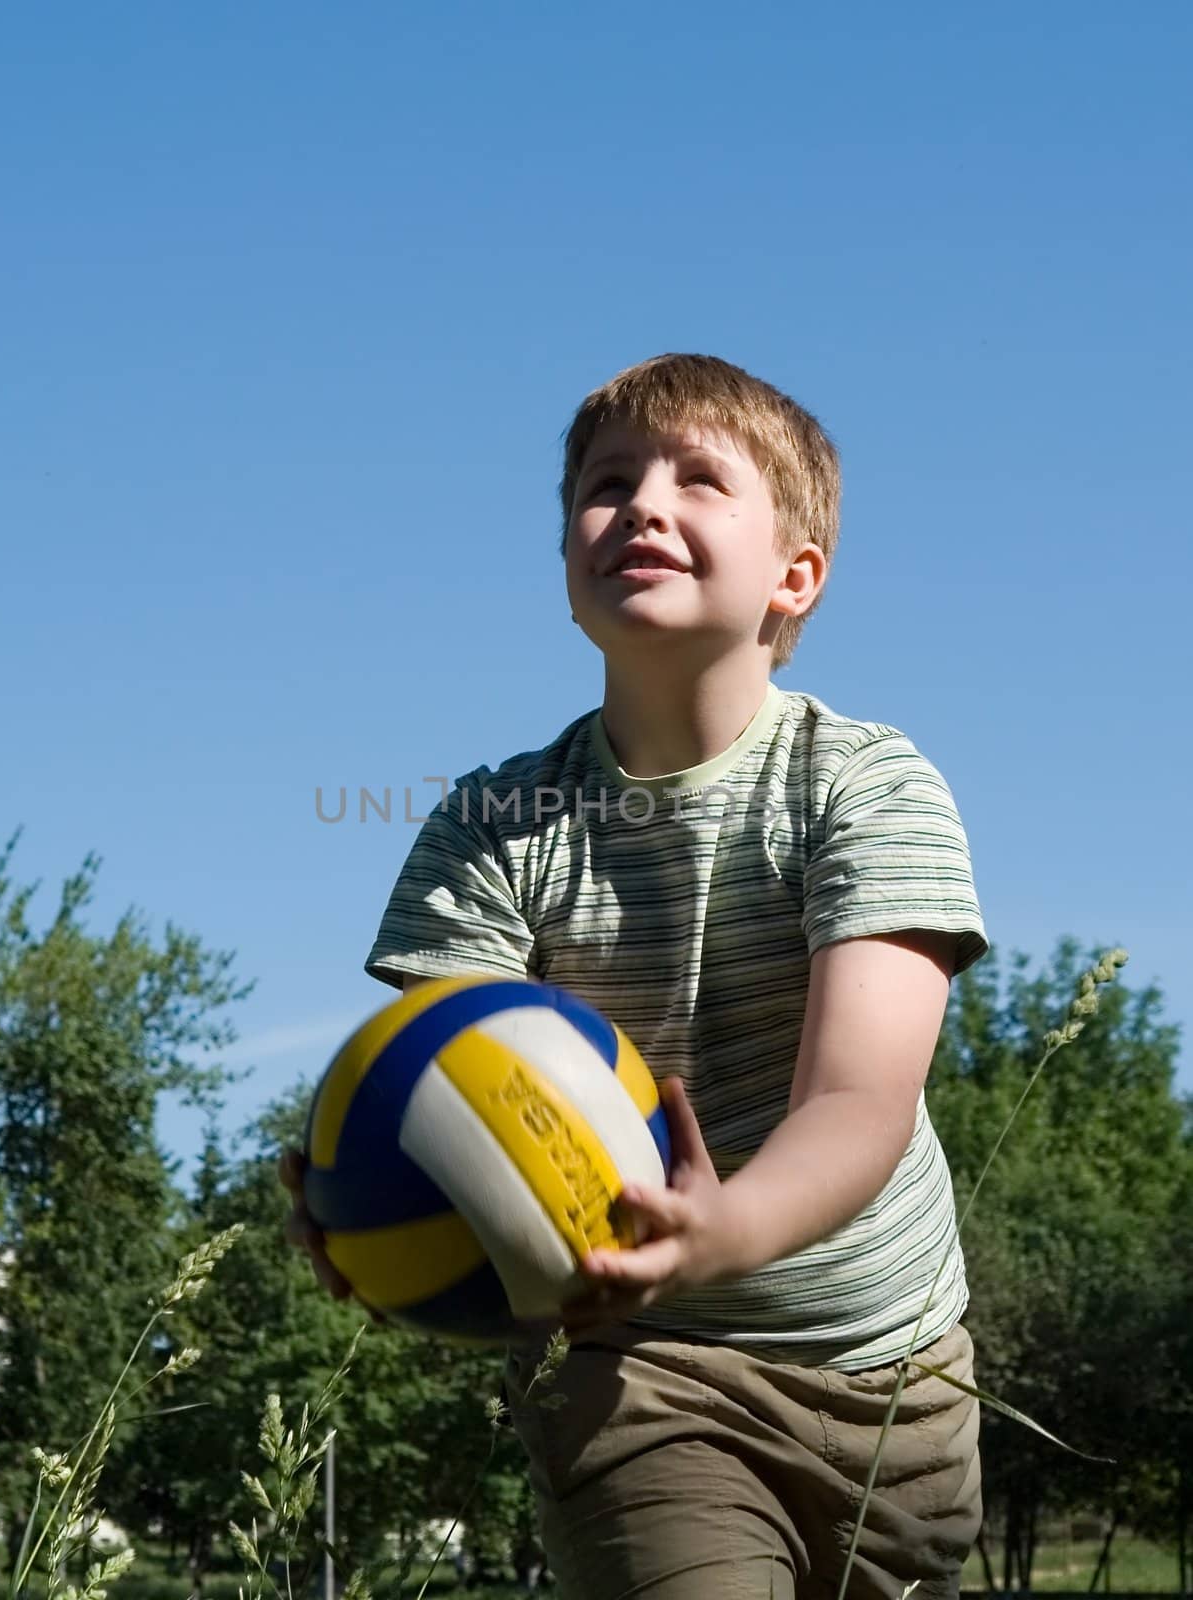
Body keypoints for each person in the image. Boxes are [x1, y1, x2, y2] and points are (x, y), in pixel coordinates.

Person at [283, 353, 988, 1599]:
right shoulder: (493, 825)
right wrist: (370, 1197)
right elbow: (437, 1085)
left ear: (795, 575)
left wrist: (730, 1226)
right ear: (568, 569)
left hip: (895, 1380)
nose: (645, 505)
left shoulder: (868, 786)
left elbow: (860, 1099)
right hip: (638, 1368)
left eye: (700, 479)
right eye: (609, 485)